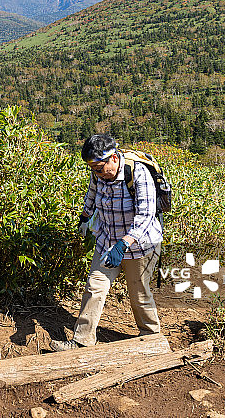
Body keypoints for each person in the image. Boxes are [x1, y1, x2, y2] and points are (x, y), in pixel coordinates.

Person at [51, 134, 161, 351]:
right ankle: (82, 340)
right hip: (106, 240)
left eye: (99, 168)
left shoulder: (138, 173)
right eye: (92, 168)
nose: (96, 173)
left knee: (139, 293)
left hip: (140, 246)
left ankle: (151, 336)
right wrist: (84, 217)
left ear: (113, 158)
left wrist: (124, 244)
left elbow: (146, 215)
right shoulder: (98, 174)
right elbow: (91, 195)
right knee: (95, 287)